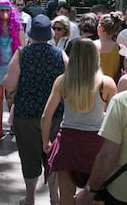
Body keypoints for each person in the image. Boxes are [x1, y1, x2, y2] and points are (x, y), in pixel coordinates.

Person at [3, 14, 69, 205]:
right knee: (53, 157)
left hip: (26, 115)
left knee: (29, 157)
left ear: (31, 33)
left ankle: (30, 198)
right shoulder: (60, 54)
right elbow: (70, 81)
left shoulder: (22, 53)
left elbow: (10, 84)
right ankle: (54, 197)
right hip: (54, 114)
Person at [41, 39, 117, 204]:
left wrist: (46, 141)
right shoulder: (107, 83)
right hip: (97, 145)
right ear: (95, 57)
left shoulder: (63, 81)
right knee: (97, 196)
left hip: (68, 144)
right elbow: (115, 120)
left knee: (66, 198)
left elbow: (46, 116)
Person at [75, 45, 127, 205]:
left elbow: (108, 155)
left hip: (124, 192)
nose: (125, 68)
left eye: (126, 62)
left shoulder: (122, 101)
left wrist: (90, 191)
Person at [0, 0, 25, 141]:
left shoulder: (17, 27)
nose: (4, 13)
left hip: (13, 67)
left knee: (12, 100)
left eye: (7, 10)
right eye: (2, 10)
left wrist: (22, 69)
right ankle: (0, 129)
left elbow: (22, 48)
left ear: (11, 11)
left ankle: (13, 127)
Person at [95, 12, 124, 83]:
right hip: (112, 87)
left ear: (100, 27)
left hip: (90, 87)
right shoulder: (120, 48)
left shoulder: (89, 46)